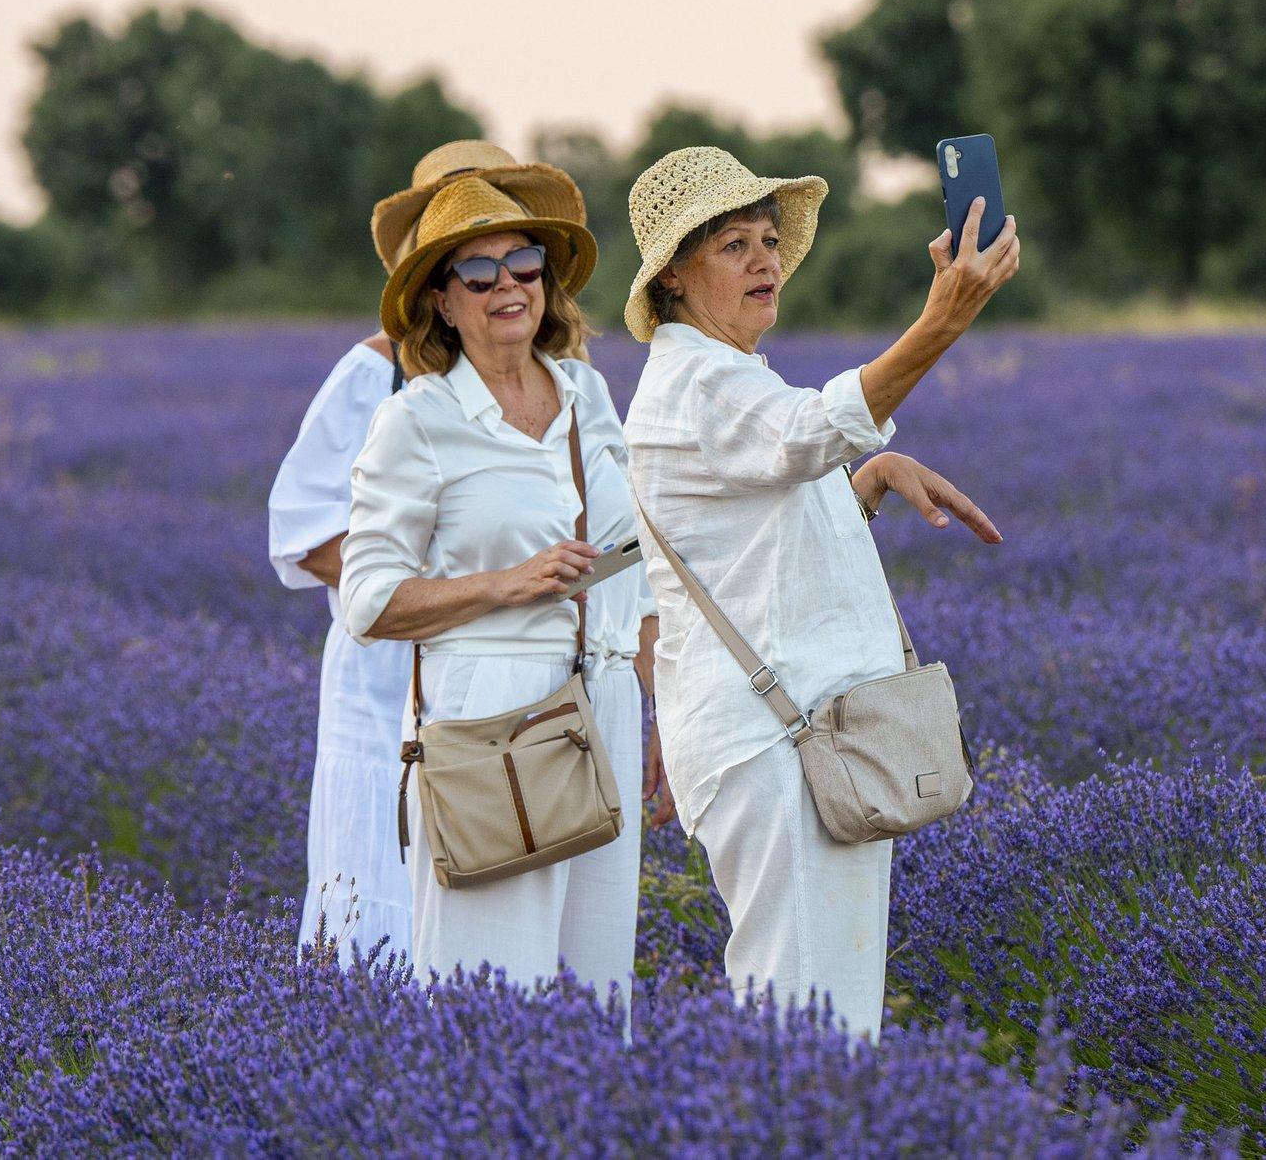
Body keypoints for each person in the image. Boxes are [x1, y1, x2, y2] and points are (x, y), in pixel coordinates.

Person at [620, 146, 1019, 1040]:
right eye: (732, 245)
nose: (764, 260)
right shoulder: (696, 384)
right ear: (675, 279)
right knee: (805, 1028)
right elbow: (808, 431)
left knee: (822, 1018)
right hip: (777, 748)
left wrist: (867, 479)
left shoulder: (727, 378)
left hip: (811, 740)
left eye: (767, 239)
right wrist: (942, 322)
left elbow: (760, 533)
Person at [338, 170, 664, 1015]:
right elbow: (367, 601)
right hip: (490, 709)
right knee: (485, 995)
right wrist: (502, 584)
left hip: (606, 697)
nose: (507, 286)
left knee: (599, 995)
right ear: (442, 303)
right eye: (476, 274)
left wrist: (659, 704)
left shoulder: (587, 394)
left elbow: (634, 559)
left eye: (522, 264)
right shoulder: (418, 420)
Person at [269, 140, 597, 960]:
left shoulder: (558, 376)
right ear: (435, 273)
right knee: (380, 858)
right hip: (388, 667)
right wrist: (450, 584)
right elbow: (303, 528)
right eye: (468, 254)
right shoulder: (373, 375)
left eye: (515, 253)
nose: (501, 276)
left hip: (507, 664)